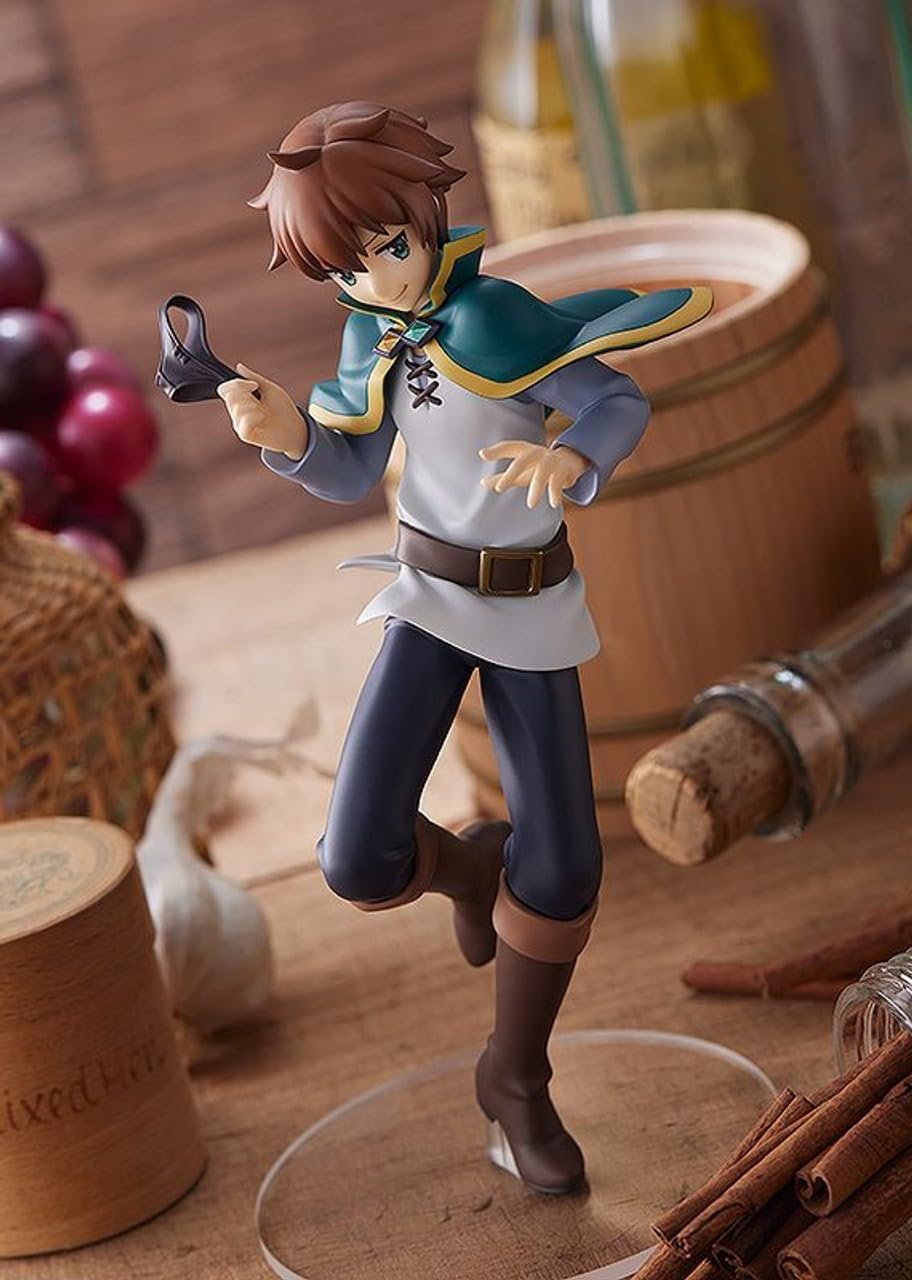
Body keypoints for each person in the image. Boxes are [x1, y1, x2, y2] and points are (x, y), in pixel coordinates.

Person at [217, 101, 712, 1195]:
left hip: (530, 607)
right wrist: (286, 433)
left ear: (428, 216)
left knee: (567, 865)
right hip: (429, 596)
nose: (377, 276)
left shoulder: (496, 315)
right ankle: (469, 868)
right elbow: (352, 469)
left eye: (388, 246)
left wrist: (572, 458)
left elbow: (612, 397)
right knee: (357, 856)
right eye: (348, 264)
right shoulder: (368, 332)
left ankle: (516, 1076)